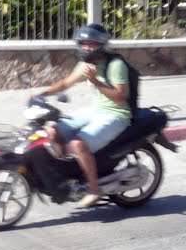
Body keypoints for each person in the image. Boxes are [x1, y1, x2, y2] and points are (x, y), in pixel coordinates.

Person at [35, 23, 131, 209]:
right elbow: (65, 83)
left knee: (78, 144)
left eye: (92, 44)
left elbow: (120, 98)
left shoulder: (116, 65)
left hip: (116, 114)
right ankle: (69, 178)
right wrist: (41, 95)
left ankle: (93, 189)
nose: (87, 48)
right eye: (83, 44)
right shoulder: (86, 64)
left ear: (102, 45)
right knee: (52, 132)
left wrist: (95, 80)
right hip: (95, 110)